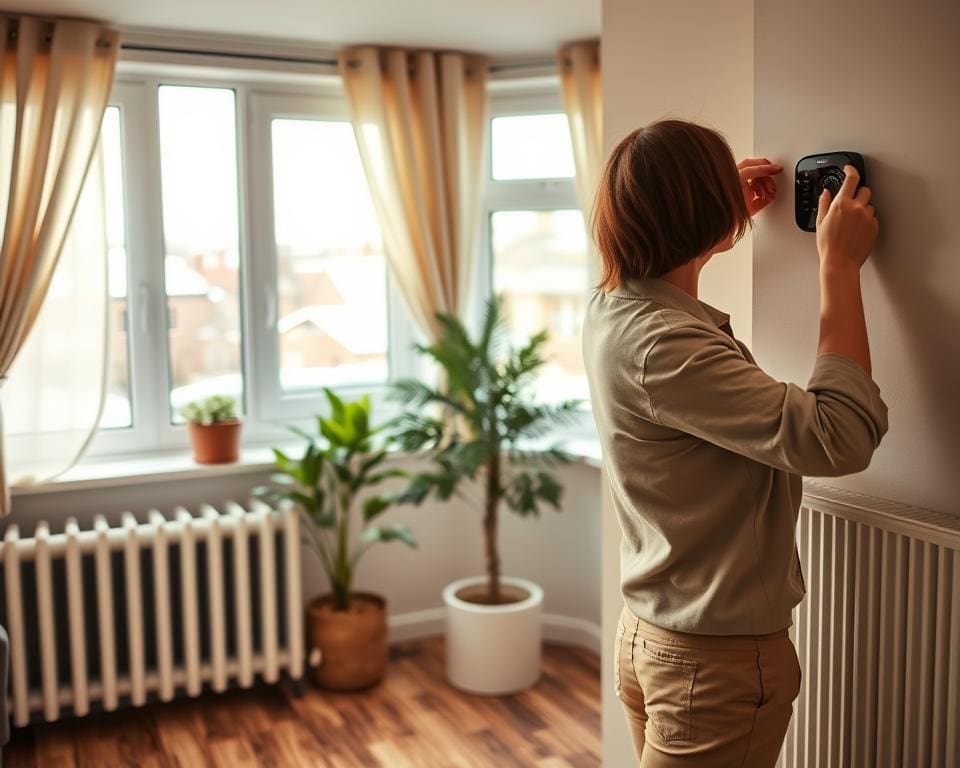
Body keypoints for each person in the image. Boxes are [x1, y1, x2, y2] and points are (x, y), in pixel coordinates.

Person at [582, 119, 888, 767]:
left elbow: (665, 289)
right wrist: (838, 267)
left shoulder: (611, 309)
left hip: (653, 637)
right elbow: (838, 438)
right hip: (708, 665)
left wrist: (711, 223)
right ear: (699, 208)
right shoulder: (666, 345)